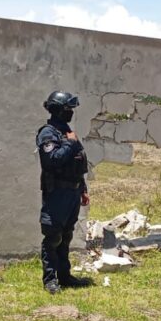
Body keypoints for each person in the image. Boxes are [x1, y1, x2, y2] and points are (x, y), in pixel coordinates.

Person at [37, 91, 91, 294]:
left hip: (72, 193)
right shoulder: (48, 133)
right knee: (53, 237)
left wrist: (83, 189)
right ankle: (50, 280)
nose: (71, 112)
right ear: (58, 110)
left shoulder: (66, 132)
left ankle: (65, 276)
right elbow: (52, 161)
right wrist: (70, 143)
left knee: (66, 235)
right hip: (57, 193)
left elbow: (77, 163)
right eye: (68, 108)